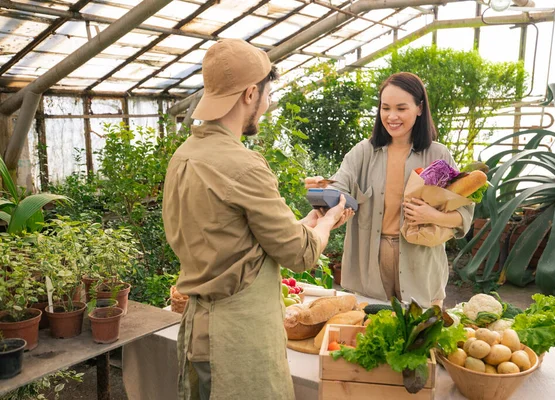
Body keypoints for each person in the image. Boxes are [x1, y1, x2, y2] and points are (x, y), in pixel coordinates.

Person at [162, 39, 352, 400]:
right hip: (238, 342)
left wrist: (310, 219)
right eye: (266, 95)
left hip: (200, 331)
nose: (267, 104)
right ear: (251, 93)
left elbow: (243, 238)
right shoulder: (244, 165)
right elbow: (300, 254)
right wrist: (327, 222)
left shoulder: (185, 156)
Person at [305, 72, 474, 308]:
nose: (391, 116)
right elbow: (339, 186)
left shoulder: (438, 156)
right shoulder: (363, 153)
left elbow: (464, 214)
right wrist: (322, 187)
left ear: (419, 108)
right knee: (366, 333)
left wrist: (432, 216)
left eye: (401, 108)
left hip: (421, 268)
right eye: (385, 108)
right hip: (368, 268)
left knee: (420, 339)